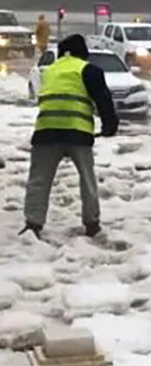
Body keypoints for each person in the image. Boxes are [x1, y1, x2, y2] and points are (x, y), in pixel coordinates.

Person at [22, 35, 119, 239]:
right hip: (78, 133)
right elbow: (103, 101)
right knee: (87, 179)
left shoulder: (50, 71)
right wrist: (110, 126)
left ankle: (33, 223)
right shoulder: (89, 70)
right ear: (83, 53)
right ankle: (91, 223)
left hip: (45, 132)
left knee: (39, 180)